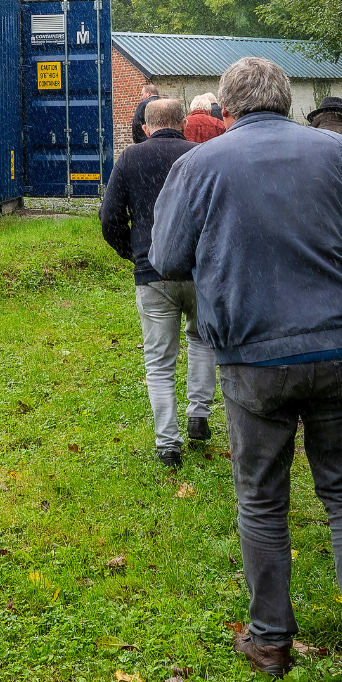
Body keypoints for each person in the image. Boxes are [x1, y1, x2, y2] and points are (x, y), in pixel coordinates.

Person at [150, 56, 342, 678]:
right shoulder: (339, 154)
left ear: (226, 106)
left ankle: (269, 639)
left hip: (251, 355)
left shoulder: (197, 165)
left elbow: (166, 258)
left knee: (262, 500)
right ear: (287, 98)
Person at [100, 98, 217, 469]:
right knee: (201, 341)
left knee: (159, 361)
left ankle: (168, 445)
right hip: (197, 271)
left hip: (152, 274)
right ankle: (199, 416)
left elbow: (109, 217)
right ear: (182, 123)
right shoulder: (199, 155)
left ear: (146, 127)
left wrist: (133, 252)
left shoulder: (130, 159)